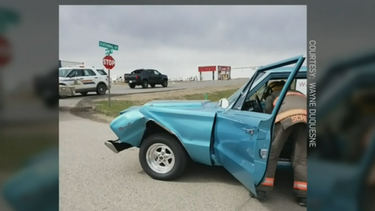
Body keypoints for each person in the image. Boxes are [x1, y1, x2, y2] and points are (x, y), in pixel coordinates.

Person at [256, 80, 308, 207]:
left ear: (272, 89)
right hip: (307, 120)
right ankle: (303, 196)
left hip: (286, 119)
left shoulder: (273, 96)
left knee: (272, 153)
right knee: (301, 157)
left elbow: (268, 116)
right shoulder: (300, 93)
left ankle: (262, 189)